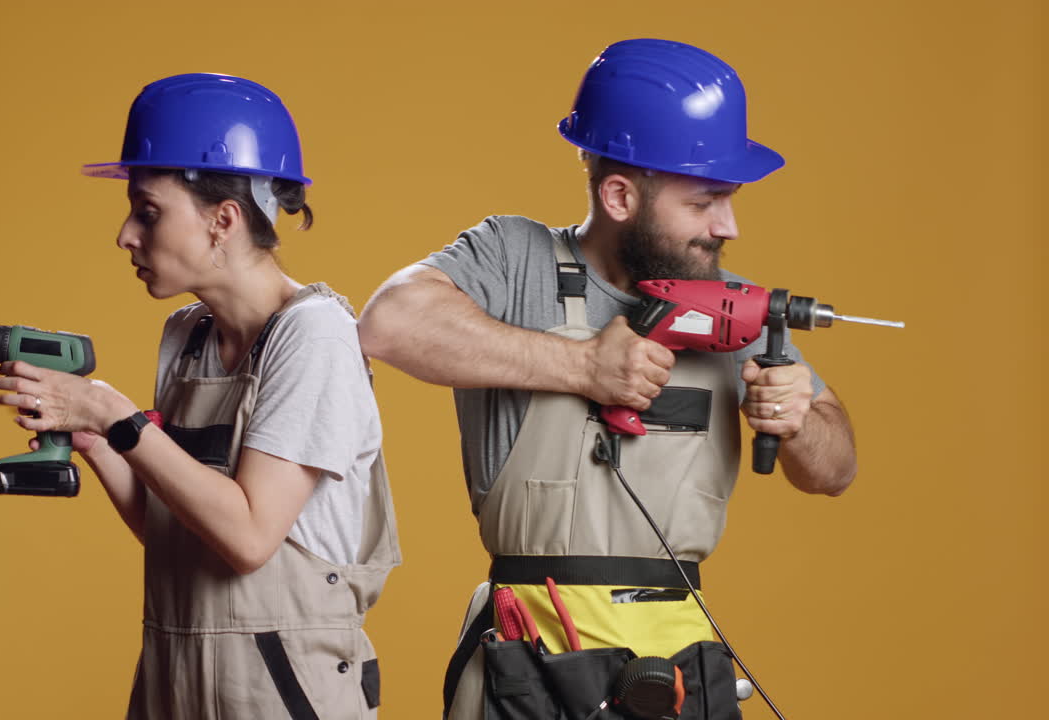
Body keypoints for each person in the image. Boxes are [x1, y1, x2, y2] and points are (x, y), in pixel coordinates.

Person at [358, 39, 856, 720]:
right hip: (530, 659)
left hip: (676, 665)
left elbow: (835, 470)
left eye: (730, 200)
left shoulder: (733, 307)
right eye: (706, 201)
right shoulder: (514, 258)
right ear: (620, 194)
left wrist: (800, 417)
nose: (728, 225)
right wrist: (584, 366)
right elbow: (389, 323)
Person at [0, 73, 399, 719]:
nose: (126, 234)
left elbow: (248, 538)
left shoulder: (314, 334)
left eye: (148, 211)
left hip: (280, 692)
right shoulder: (188, 334)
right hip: (174, 677)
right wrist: (97, 440)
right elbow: (177, 532)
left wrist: (114, 414)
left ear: (223, 220)